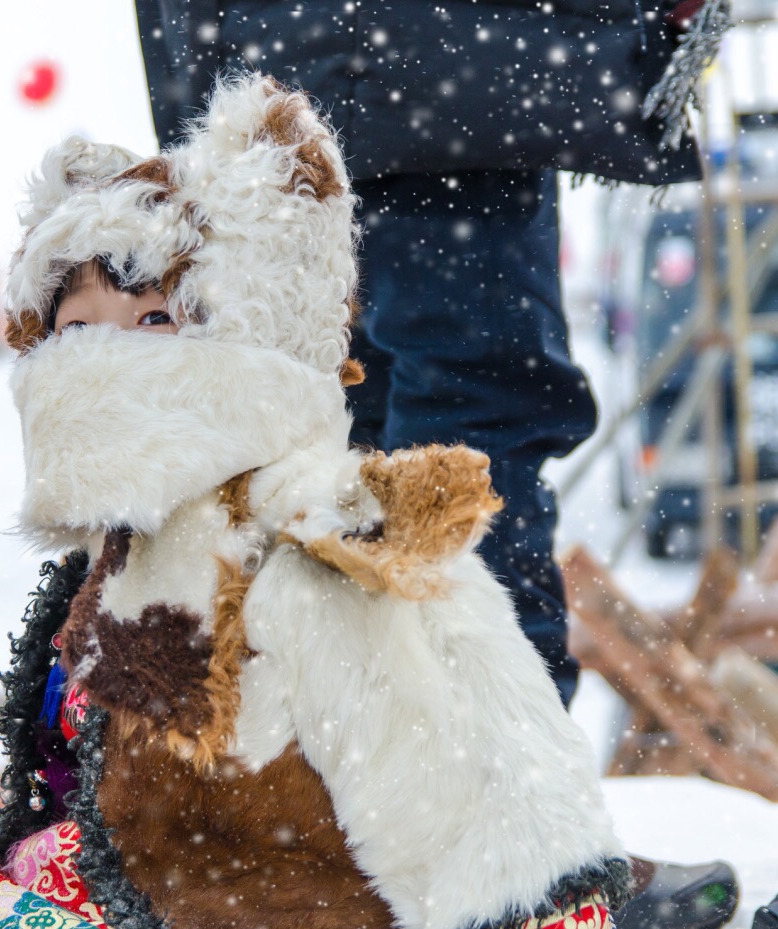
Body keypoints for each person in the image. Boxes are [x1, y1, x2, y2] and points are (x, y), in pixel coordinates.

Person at [0, 74, 635, 929]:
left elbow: (479, 751)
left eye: (153, 320)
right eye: (76, 327)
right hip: (138, 888)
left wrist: (538, 901)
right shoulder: (118, 558)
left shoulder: (302, 536)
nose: (100, 361)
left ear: (243, 329)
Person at [132, 4, 738, 929]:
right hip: (431, 53)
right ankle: (519, 864)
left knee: (335, 443)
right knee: (467, 425)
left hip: (291, 58)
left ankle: (378, 851)